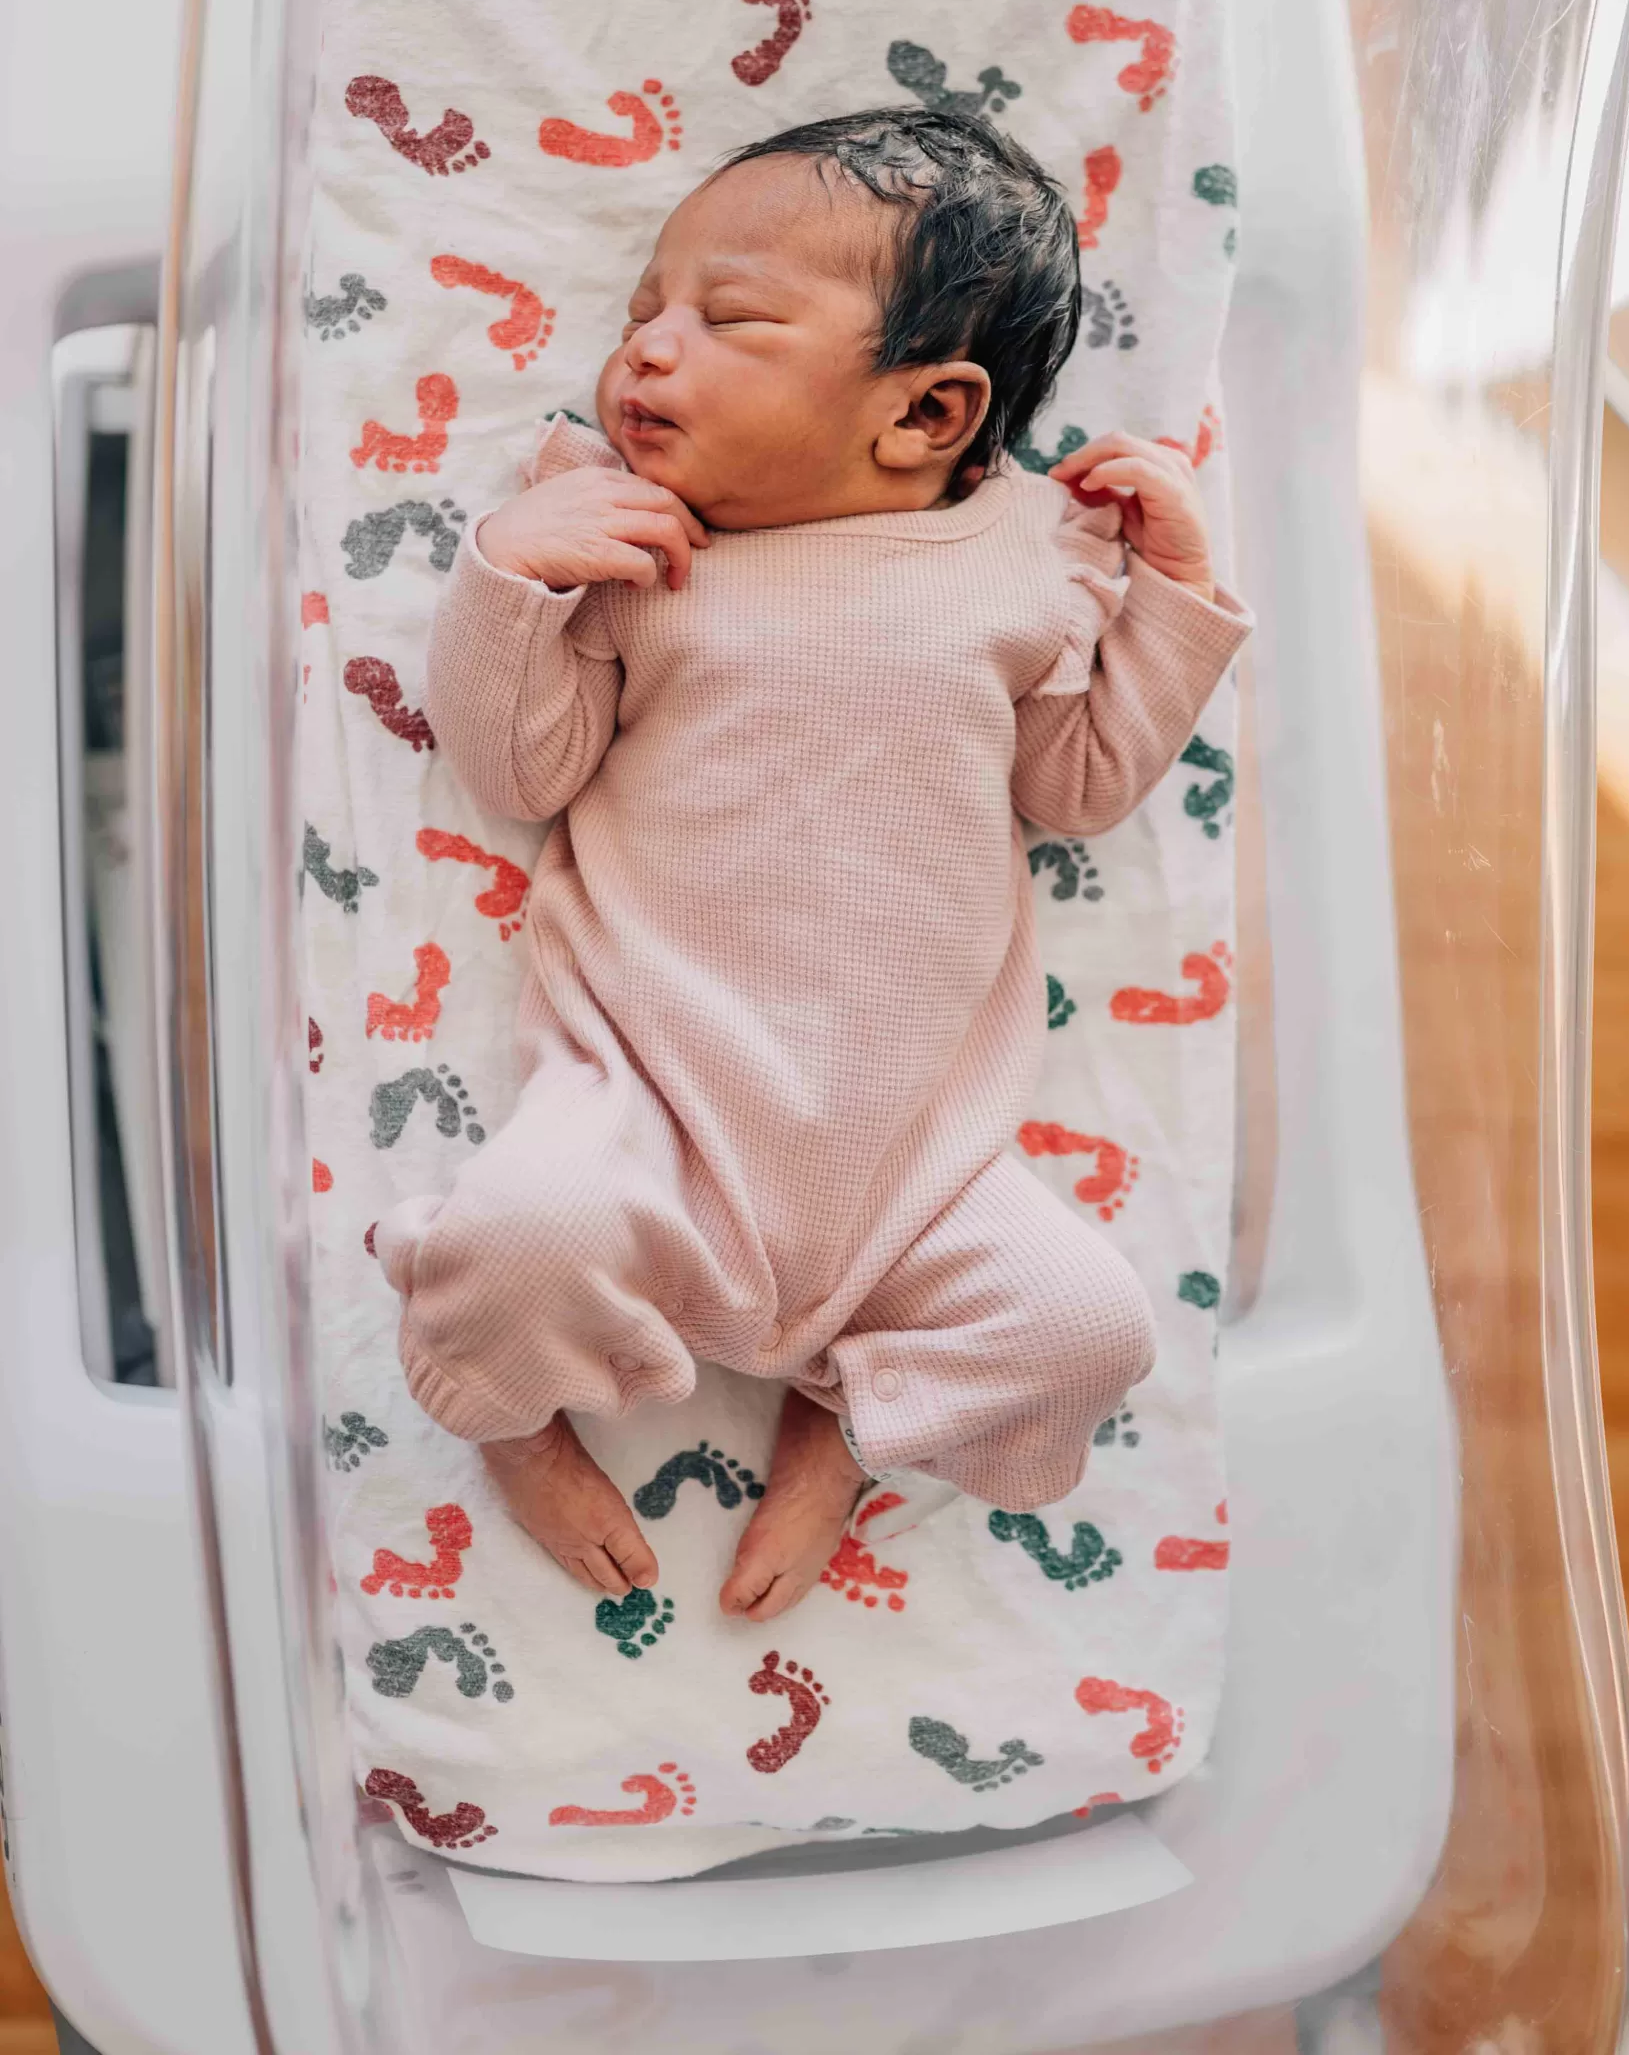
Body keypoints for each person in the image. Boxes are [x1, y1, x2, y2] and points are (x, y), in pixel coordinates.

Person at [373, 106, 1249, 1624]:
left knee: (1086, 1328)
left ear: (926, 414)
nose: (646, 349)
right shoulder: (629, 537)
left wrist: (1171, 600)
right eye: (643, 311)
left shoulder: (1025, 556)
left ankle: (845, 1421)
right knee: (515, 1247)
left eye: (725, 319)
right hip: (645, 1109)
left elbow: (1079, 784)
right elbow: (523, 773)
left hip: (914, 1163)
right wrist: (511, 573)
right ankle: (514, 1426)